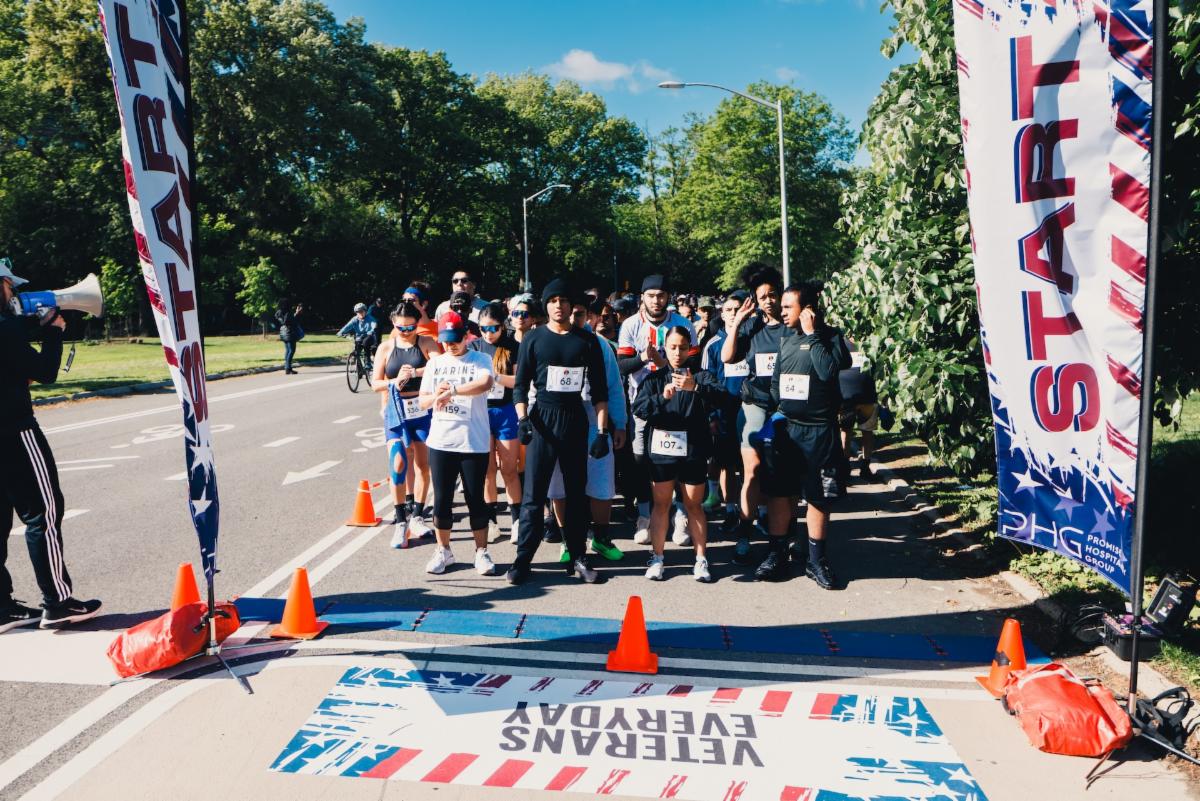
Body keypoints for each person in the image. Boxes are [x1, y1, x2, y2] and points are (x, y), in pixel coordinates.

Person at [0, 262, 102, 630]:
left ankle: (2, 607)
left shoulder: (9, 329)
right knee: (44, 512)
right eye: (9, 286)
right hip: (15, 432)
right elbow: (44, 372)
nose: (14, 293)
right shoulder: (6, 328)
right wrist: (54, 331)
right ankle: (57, 601)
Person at [507, 277, 611, 585]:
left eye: (564, 301)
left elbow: (600, 391)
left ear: (571, 306)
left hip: (575, 421)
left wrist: (601, 432)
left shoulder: (587, 341)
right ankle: (523, 559)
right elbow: (520, 386)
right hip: (542, 421)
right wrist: (523, 419)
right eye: (553, 301)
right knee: (533, 495)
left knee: (577, 494)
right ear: (546, 305)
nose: (558, 306)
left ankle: (578, 556)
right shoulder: (533, 339)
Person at [756, 283, 851, 589]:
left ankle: (816, 561)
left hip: (820, 433)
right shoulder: (785, 341)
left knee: (818, 498)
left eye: (788, 307)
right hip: (787, 430)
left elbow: (827, 372)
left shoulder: (831, 337)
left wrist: (812, 335)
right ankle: (777, 555)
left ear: (808, 309)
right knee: (779, 494)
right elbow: (776, 385)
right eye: (781, 306)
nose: (781, 311)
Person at [632, 326, 720, 582]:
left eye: (682, 347)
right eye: (672, 347)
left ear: (690, 348)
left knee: (694, 504)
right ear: (665, 349)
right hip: (662, 449)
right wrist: (661, 398)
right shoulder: (655, 379)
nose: (677, 353)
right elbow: (639, 408)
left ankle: (701, 559)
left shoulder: (701, 376)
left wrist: (696, 388)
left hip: (692, 449)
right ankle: (657, 558)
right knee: (661, 504)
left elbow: (723, 398)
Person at [418, 311, 500, 576]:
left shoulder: (480, 359)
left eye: (455, 339)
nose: (450, 345)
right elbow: (422, 401)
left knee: (475, 499)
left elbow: (485, 383)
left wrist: (452, 391)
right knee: (442, 499)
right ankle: (444, 550)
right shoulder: (435, 364)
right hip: (442, 440)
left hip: (473, 441)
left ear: (466, 336)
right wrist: (436, 396)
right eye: (445, 340)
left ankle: (481, 552)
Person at [546, 299, 628, 563]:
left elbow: (614, 387)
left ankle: (601, 538)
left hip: (596, 424)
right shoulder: (549, 341)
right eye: (570, 313)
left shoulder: (601, 345)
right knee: (559, 486)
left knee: (601, 484)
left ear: (591, 316)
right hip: (560, 424)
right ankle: (567, 541)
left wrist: (620, 423)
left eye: (579, 314)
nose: (574, 319)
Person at [617, 275, 695, 549]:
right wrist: (644, 358)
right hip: (642, 404)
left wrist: (666, 365)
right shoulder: (631, 325)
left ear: (668, 297)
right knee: (641, 460)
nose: (656, 301)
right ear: (642, 298)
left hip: (677, 403)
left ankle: (681, 515)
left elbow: (694, 362)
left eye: (661, 295)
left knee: (678, 459)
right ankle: (644, 516)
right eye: (651, 295)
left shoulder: (683, 324)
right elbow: (621, 366)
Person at [721, 263, 787, 563]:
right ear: (755, 300)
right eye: (762, 297)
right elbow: (727, 356)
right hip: (755, 405)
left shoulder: (791, 324)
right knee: (753, 470)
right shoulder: (751, 326)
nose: (769, 301)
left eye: (773, 294)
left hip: (785, 408)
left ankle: (783, 536)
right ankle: (745, 534)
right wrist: (738, 322)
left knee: (783, 474)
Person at [372, 302, 440, 543]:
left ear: (417, 324)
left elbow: (439, 366)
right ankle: (401, 520)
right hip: (396, 409)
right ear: (393, 323)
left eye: (410, 327)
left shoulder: (426, 343)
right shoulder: (385, 347)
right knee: (398, 463)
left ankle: (418, 516)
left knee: (423, 465)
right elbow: (375, 383)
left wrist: (415, 373)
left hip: (421, 409)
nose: (406, 332)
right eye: (401, 328)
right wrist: (395, 381)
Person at [471, 303, 522, 543]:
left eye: (493, 328)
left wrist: (496, 378)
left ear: (503, 326)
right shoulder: (474, 347)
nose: (488, 333)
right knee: (487, 470)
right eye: (483, 328)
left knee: (509, 469)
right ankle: (491, 521)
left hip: (506, 411)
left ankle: (517, 521)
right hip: (481, 412)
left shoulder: (513, 346)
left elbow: (520, 380)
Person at [701, 292, 751, 527]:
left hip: (751, 411)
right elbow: (706, 383)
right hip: (724, 414)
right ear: (721, 314)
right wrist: (711, 416)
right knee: (727, 465)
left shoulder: (752, 339)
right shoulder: (713, 345)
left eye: (737, 309)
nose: (733, 314)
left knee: (751, 466)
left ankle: (757, 512)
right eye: (728, 310)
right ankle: (730, 510)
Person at [838, 339, 879, 480]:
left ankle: (857, 467)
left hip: (855, 397)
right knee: (852, 431)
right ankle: (852, 467)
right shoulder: (869, 343)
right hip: (855, 397)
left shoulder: (841, 344)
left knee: (854, 432)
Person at [275, 299, 304, 374]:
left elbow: (286, 321)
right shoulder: (288, 312)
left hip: (283, 332)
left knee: (288, 350)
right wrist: (297, 313)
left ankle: (288, 367)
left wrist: (296, 313)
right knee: (291, 350)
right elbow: (292, 321)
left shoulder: (279, 312)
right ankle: (288, 368)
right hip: (289, 333)